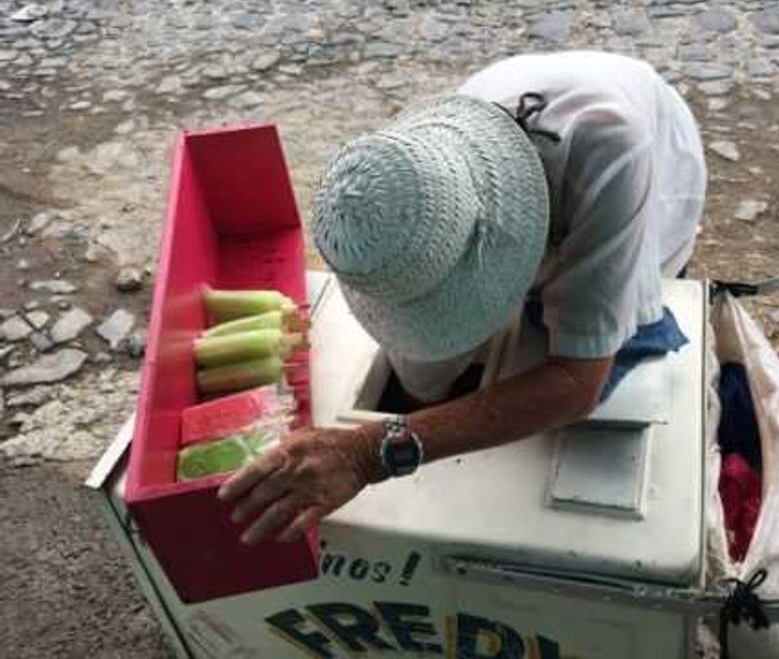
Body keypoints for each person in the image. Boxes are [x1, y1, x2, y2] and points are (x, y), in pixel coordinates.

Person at [218, 51, 708, 544]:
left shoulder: (611, 148)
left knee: (615, 330)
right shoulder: (398, 188)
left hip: (648, 157)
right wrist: (417, 409)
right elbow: (420, 374)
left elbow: (578, 381)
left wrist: (368, 453)